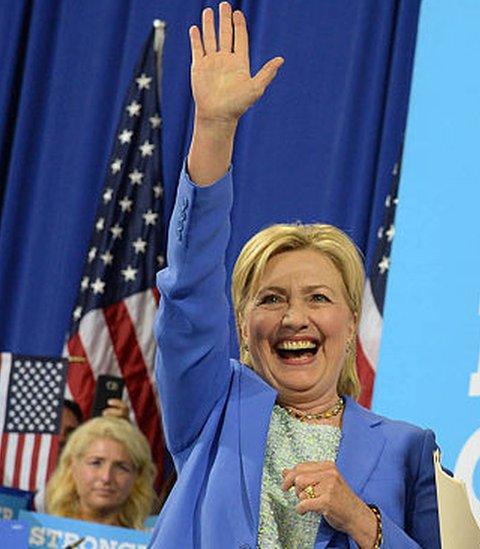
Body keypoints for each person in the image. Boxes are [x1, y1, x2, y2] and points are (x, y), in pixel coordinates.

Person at [148, 3, 439, 548]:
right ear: (241, 322)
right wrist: (214, 127)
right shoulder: (211, 405)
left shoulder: (407, 449)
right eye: (272, 298)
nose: (294, 318)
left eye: (319, 298)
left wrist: (363, 521)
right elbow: (189, 286)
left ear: (352, 322)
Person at [45, 416, 156, 529]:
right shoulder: (41, 534)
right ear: (72, 467)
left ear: (137, 476)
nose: (106, 477)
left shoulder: (153, 542)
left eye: (121, 467)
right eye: (96, 463)